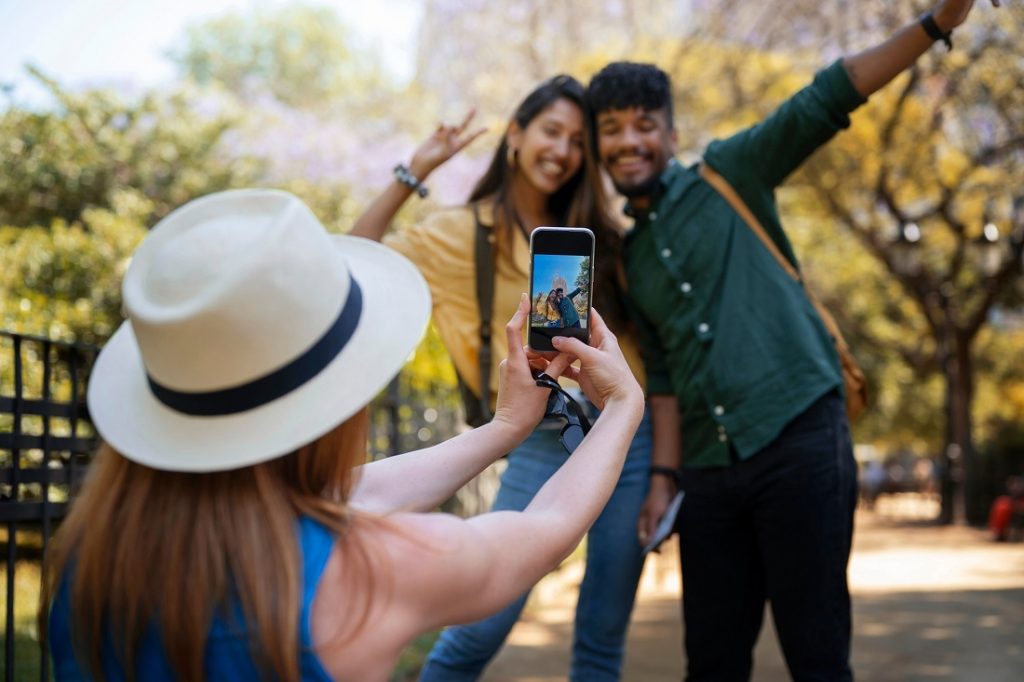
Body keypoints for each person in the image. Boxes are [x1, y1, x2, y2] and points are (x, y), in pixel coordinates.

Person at [40, 189, 645, 682]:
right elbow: (542, 535)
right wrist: (622, 405)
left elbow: (360, 492)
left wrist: (506, 428)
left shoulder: (87, 559)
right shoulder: (368, 572)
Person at [586, 1, 1000, 679]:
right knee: (711, 660)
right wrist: (662, 481)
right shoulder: (627, 262)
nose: (630, 141)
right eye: (612, 129)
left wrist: (936, 25)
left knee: (816, 650)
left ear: (669, 130)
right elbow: (660, 378)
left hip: (800, 435)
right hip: (707, 470)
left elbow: (826, 97)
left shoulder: (730, 171)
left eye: (644, 124)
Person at [350, 74, 653, 681]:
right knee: (473, 634)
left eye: (577, 141)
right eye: (551, 131)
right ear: (516, 133)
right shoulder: (459, 232)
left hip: (624, 438)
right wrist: (413, 172)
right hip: (540, 436)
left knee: (602, 637)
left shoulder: (594, 235)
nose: (563, 151)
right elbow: (358, 255)